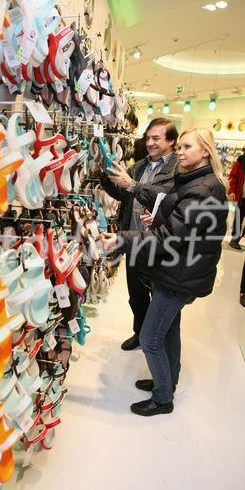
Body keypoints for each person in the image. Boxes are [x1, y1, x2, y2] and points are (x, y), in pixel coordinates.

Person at [102, 128, 228, 416]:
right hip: (178, 269)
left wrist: (123, 238)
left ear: (205, 151)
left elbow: (168, 238)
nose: (180, 152)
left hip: (179, 273)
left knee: (150, 338)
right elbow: (182, 227)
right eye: (180, 146)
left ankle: (162, 399)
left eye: (187, 147)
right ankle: (167, 382)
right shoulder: (196, 182)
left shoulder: (202, 189)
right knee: (169, 330)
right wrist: (159, 218)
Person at [100, 118, 179, 351]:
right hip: (134, 239)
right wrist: (107, 176)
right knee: (136, 295)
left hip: (159, 243)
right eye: (148, 138)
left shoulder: (176, 170)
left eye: (157, 138)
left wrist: (131, 184)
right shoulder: (140, 165)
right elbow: (123, 194)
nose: (151, 143)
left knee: (160, 298)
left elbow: (165, 197)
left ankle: (157, 343)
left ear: (171, 141)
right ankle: (140, 333)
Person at [228, 148, 245, 249]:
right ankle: (234, 239)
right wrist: (232, 191)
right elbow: (233, 177)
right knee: (238, 219)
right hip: (241, 197)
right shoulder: (240, 161)